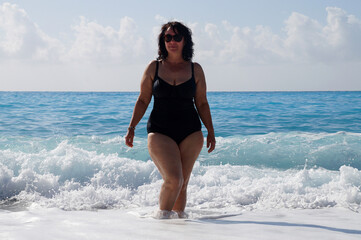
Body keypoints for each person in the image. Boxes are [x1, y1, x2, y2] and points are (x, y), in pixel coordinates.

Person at [125, 21, 216, 219]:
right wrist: (132, 127)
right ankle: (161, 223)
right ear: (162, 41)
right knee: (174, 179)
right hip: (160, 130)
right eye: (168, 37)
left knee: (182, 184)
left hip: (191, 131)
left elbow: (202, 103)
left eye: (176, 37)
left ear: (185, 41)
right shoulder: (153, 67)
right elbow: (142, 100)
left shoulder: (195, 69)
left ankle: (177, 230)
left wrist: (211, 131)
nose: (172, 41)